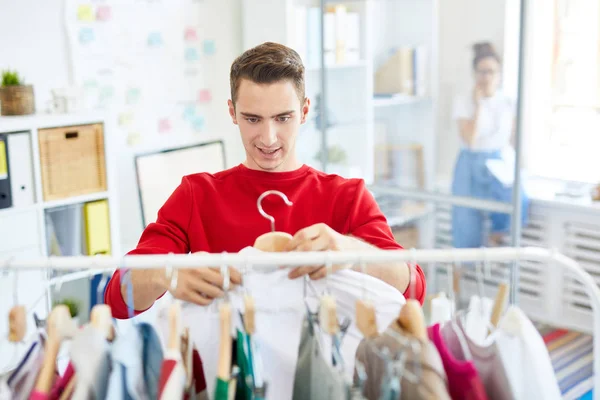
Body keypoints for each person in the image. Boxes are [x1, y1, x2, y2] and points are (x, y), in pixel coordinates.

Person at [104, 42, 426, 319]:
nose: (268, 138)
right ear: (232, 112)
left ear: (304, 111)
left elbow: (413, 288)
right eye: (253, 119)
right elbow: (117, 298)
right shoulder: (196, 194)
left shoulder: (347, 196)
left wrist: (349, 251)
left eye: (282, 118)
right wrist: (166, 273)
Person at [451, 42, 529, 248]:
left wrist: (521, 166)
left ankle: (494, 242)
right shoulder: (464, 100)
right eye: (482, 72)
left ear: (500, 74)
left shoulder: (507, 102)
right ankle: (461, 270)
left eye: (491, 72)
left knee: (517, 203)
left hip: (497, 162)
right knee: (465, 224)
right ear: (475, 74)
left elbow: (513, 138)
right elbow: (470, 139)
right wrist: (478, 105)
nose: (487, 77)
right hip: (470, 163)